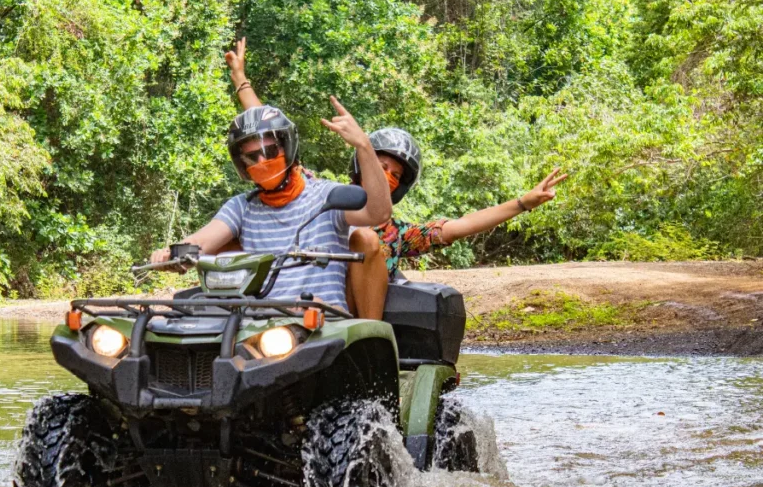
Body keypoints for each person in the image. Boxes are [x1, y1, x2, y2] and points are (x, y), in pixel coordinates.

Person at [224, 37, 569, 320]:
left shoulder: (397, 234)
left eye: (394, 174)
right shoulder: (323, 200)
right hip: (298, 310)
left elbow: (462, 225)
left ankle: (367, 341)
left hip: (350, 320)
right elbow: (269, 141)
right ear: (362, 164)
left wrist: (523, 202)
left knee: (364, 240)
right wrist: (241, 79)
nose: (386, 176)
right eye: (380, 166)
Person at [149, 98, 392, 314]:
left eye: (270, 150)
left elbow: (378, 212)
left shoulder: (326, 197)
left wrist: (363, 146)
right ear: (242, 164)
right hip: (265, 326)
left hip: (323, 321)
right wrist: (172, 255)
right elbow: (202, 242)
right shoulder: (242, 207)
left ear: (287, 148)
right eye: (252, 157)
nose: (262, 161)